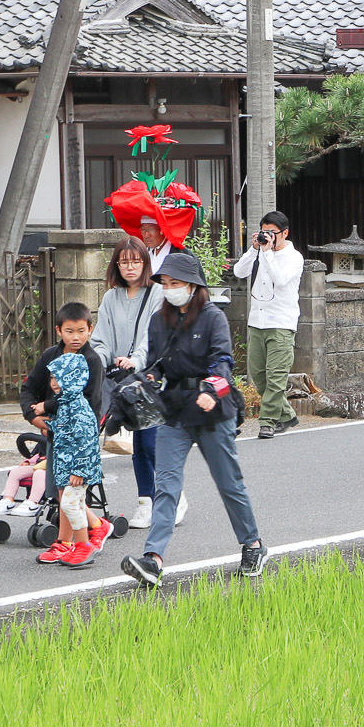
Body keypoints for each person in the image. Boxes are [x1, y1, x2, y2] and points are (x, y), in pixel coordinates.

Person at [121, 252, 268, 589]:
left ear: (193, 285)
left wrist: (209, 389)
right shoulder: (160, 319)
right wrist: (149, 378)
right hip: (174, 411)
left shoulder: (213, 318)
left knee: (229, 483)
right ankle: (153, 559)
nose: (170, 289)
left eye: (176, 283)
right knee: (166, 485)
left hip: (212, 411)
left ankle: (253, 545)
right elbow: (158, 363)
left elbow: (223, 362)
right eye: (166, 283)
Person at [92, 235, 167, 528]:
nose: (130, 267)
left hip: (149, 377)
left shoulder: (157, 293)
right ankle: (161, 497)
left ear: (145, 263)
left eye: (136, 261)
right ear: (117, 265)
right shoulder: (111, 298)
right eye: (124, 262)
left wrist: (136, 359)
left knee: (147, 443)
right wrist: (96, 362)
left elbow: (152, 335)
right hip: (122, 381)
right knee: (137, 444)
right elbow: (101, 339)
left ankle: (149, 502)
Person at [20, 301, 105, 527]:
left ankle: (88, 533)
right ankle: (74, 537)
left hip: (78, 436)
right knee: (58, 490)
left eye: (81, 331)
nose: (75, 337)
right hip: (53, 433)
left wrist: (48, 407)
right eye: (69, 331)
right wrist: (34, 417)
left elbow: (87, 402)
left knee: (70, 492)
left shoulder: (92, 361)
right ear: (58, 330)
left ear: (90, 329)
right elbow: (29, 388)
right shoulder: (50, 356)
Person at [232, 209, 302, 440]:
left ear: (285, 233)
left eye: (272, 233)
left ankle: (268, 421)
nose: (268, 237)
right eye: (264, 232)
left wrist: (267, 253)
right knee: (259, 377)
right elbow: (238, 271)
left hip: (281, 323)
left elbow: (281, 280)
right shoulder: (259, 253)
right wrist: (254, 249)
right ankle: (288, 415)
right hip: (257, 322)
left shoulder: (294, 257)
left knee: (276, 378)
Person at [36, 352, 108, 567]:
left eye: (60, 378)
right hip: (65, 465)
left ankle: (83, 545)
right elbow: (68, 432)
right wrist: (51, 426)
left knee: (69, 504)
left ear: (73, 378)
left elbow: (86, 441)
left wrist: (79, 471)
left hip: (77, 468)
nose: (54, 383)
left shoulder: (78, 408)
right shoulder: (65, 404)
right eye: (52, 378)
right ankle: (74, 544)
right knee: (71, 504)